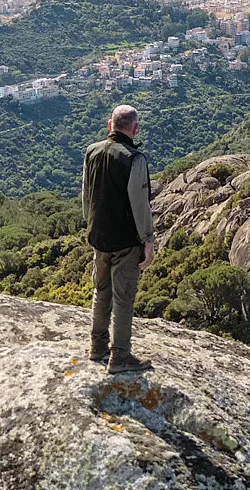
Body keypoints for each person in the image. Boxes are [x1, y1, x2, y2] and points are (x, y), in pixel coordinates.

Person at [82, 104, 155, 374]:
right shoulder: (135, 159)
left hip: (98, 236)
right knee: (123, 298)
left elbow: (86, 195)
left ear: (110, 125)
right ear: (135, 129)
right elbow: (140, 204)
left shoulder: (92, 151)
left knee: (101, 291)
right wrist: (148, 239)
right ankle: (120, 357)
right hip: (125, 240)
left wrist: (92, 224)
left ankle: (97, 347)